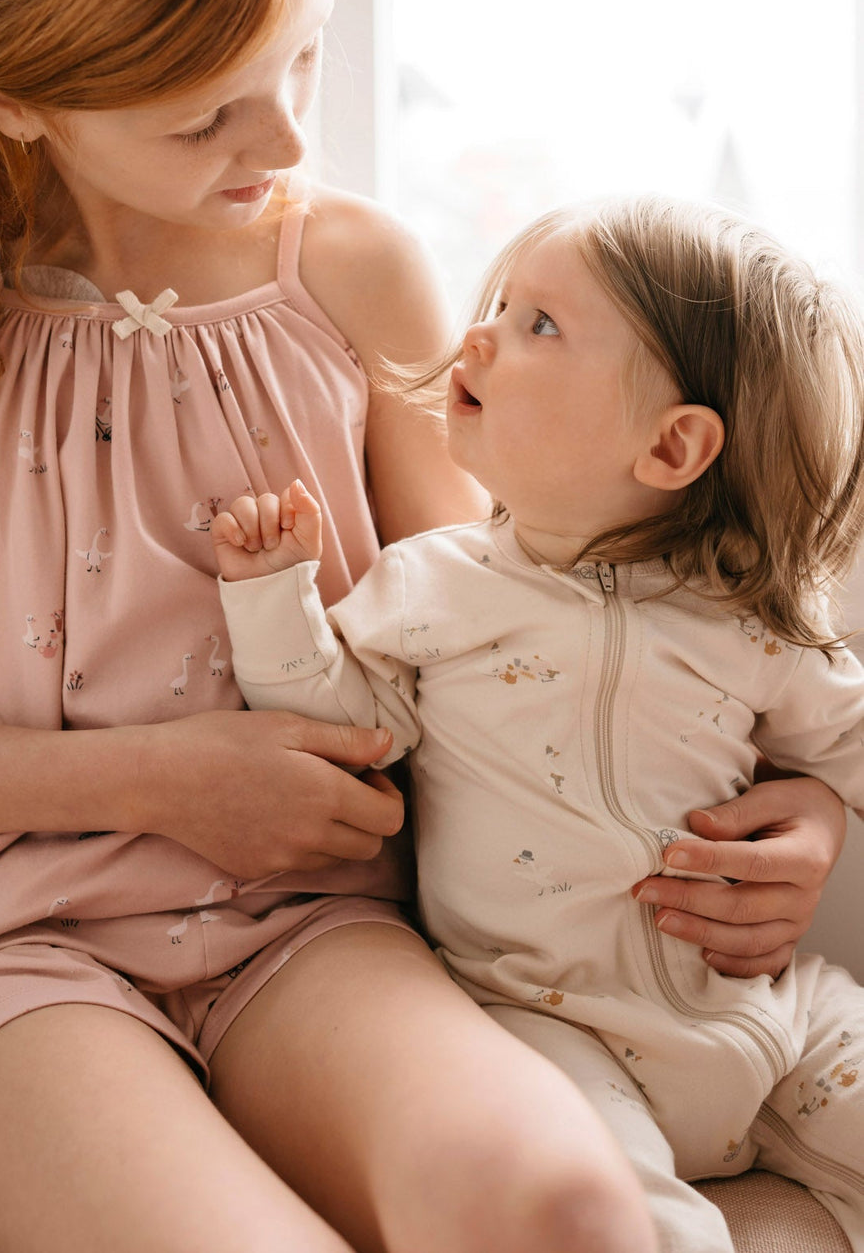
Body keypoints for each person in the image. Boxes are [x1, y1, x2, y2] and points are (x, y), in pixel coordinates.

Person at [0, 0, 842, 1253]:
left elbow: (533, 618)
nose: (279, 134)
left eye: (303, 59)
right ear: (10, 97)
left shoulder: (354, 272)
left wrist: (800, 797)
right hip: (15, 956)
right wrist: (154, 777)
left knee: (567, 1214)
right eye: (204, 109)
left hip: (327, 930)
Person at [211, 193, 864, 1252]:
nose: (479, 334)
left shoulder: (740, 613)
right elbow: (337, 726)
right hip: (547, 1026)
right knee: (632, 1224)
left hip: (775, 1018)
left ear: (672, 448)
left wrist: (824, 812)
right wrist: (270, 597)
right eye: (502, 303)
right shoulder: (433, 584)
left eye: (538, 325)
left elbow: (847, 741)